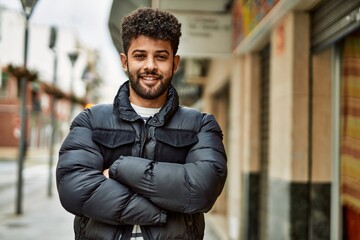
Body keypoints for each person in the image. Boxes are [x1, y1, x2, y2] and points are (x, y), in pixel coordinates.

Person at [56, 7, 227, 240]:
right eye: (140, 56)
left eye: (161, 56)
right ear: (125, 61)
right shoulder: (91, 121)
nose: (150, 66)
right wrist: (163, 211)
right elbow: (75, 189)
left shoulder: (201, 125)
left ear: (175, 63)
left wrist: (118, 169)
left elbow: (202, 190)